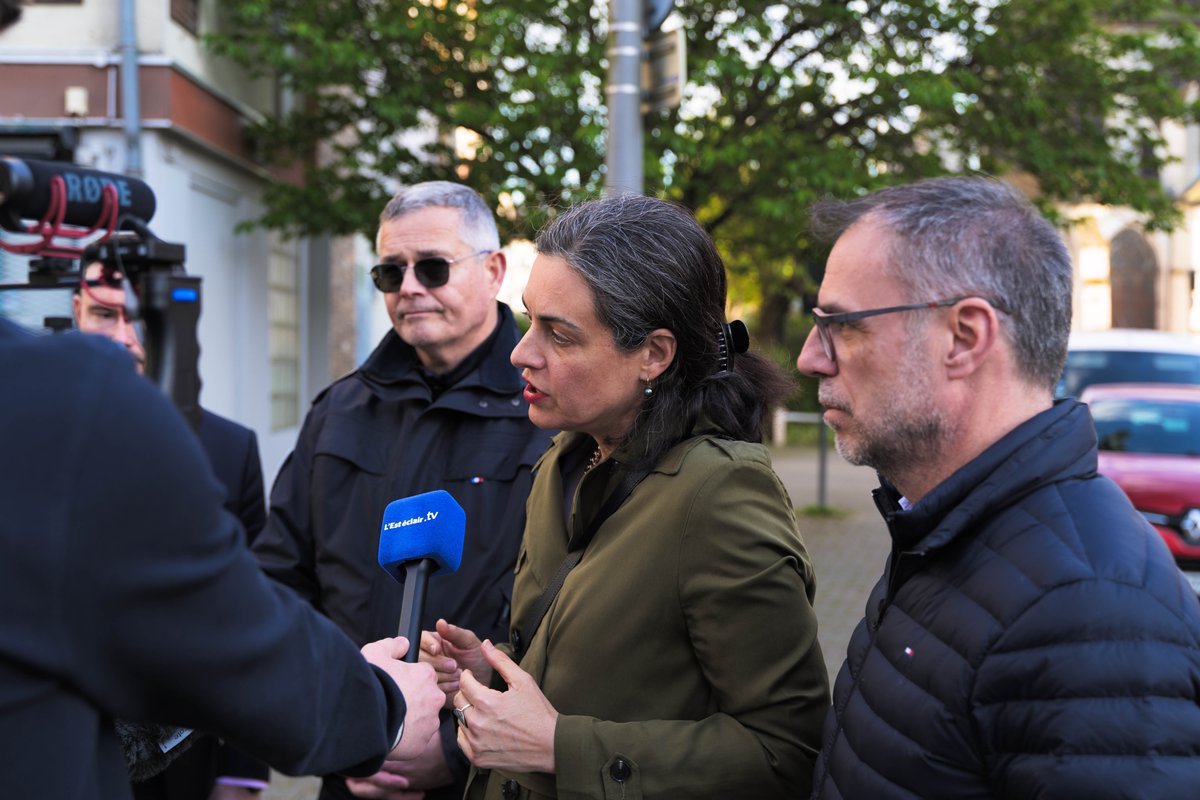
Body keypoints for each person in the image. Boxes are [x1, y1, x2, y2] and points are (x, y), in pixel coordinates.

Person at [795, 176, 1200, 798]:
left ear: (964, 338)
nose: (810, 358)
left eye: (844, 325)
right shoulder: (942, 526)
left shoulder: (1086, 609)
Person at [422, 194, 831, 799]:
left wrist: (560, 746)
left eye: (559, 335)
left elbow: (787, 750)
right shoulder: (563, 461)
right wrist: (493, 672)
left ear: (654, 355)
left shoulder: (720, 492)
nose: (521, 353)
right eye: (529, 318)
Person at [0, 315, 446, 800]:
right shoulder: (64, 400)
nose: (125, 335)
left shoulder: (226, 442)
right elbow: (239, 625)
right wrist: (381, 707)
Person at [254, 181, 554, 800]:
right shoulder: (337, 411)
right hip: (351, 765)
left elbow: (564, 611)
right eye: (390, 272)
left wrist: (450, 750)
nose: (410, 287)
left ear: (494, 270)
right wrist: (342, 727)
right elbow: (277, 585)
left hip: (492, 775)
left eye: (433, 267)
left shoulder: (550, 414)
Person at [73, 261, 271, 799]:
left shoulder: (232, 449)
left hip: (185, 764)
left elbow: (253, 614)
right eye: (104, 313)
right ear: (75, 312)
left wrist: (243, 770)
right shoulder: (22, 435)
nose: (126, 338)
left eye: (144, 317)